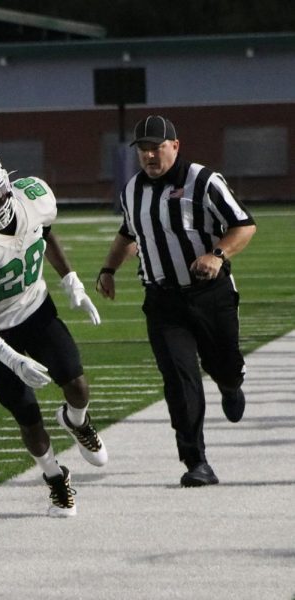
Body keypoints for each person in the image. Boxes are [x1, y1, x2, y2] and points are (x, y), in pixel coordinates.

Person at [0, 150, 107, 517]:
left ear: (6, 184)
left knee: (76, 384)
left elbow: (45, 235)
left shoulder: (34, 198)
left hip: (36, 310)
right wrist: (12, 359)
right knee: (27, 416)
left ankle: (76, 421)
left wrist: (70, 280)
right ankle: (55, 478)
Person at [95, 115, 256, 488]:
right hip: (163, 300)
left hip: (210, 293)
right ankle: (196, 460)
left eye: (157, 147)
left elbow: (244, 225)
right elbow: (127, 232)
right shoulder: (132, 190)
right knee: (180, 381)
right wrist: (108, 269)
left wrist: (217, 254)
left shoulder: (204, 180)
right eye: (143, 149)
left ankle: (231, 384)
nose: (150, 155)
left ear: (175, 146)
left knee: (225, 366)